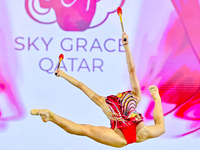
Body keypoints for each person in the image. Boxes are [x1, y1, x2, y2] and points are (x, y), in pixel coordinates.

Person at [31, 32, 165, 148]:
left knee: (161, 127)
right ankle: (51, 116)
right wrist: (63, 74)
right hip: (120, 137)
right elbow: (81, 85)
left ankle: (157, 98)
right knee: (85, 129)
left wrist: (126, 45)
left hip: (138, 132)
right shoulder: (105, 101)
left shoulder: (134, 95)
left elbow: (132, 70)